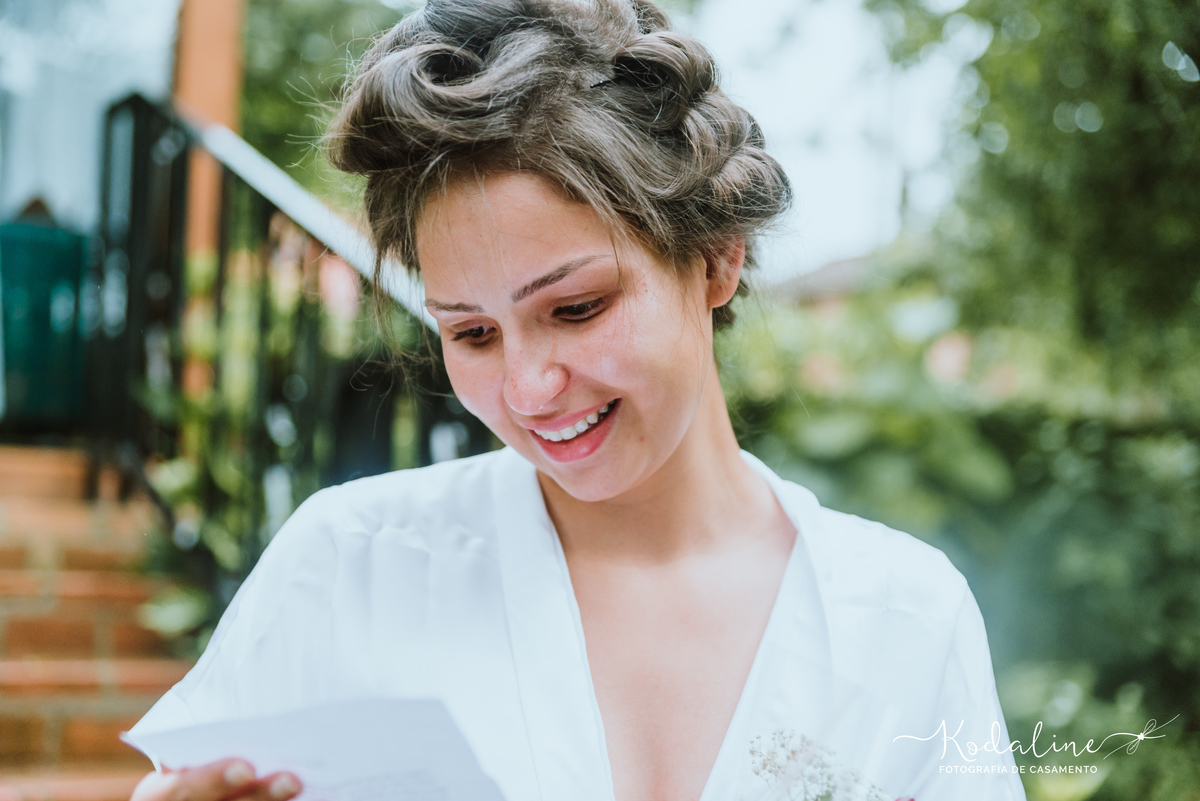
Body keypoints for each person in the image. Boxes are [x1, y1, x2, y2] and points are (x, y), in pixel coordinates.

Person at [129, 1, 1026, 800]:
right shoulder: (350, 570)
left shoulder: (901, 620)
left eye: (576, 307)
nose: (526, 389)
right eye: (472, 333)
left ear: (715, 257)